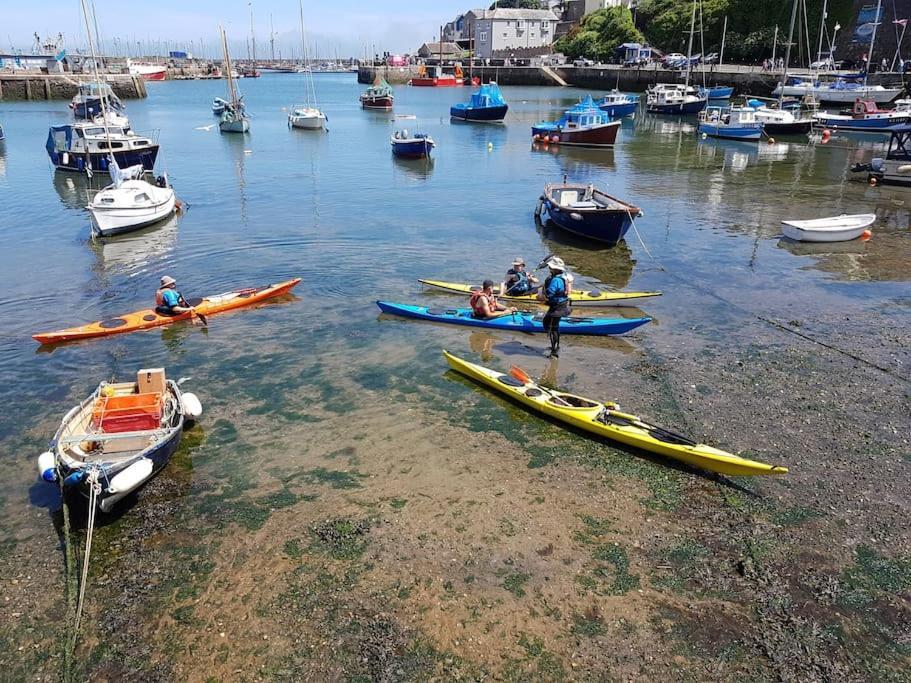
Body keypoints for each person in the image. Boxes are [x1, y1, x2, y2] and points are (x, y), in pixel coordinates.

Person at [537, 257, 572, 357]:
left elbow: (550, 294)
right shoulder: (562, 276)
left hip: (558, 307)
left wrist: (540, 297)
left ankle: (554, 352)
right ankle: (555, 346)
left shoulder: (556, 280)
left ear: (556, 269)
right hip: (560, 305)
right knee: (551, 326)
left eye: (551, 267)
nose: (549, 269)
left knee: (552, 327)